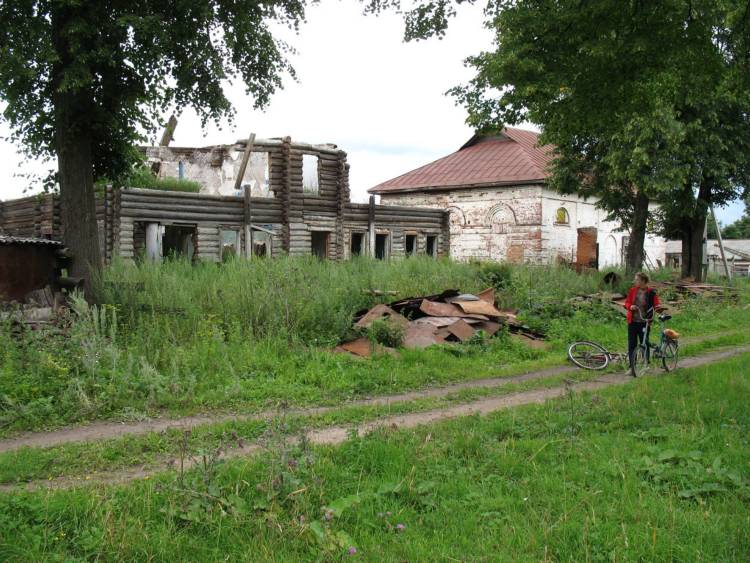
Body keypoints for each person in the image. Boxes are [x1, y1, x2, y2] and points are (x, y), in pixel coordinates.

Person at [624, 272, 661, 373]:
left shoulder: (651, 292)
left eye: (637, 280)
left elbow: (657, 305)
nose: (635, 281)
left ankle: (645, 364)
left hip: (645, 322)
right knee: (632, 344)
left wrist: (658, 309)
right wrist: (630, 306)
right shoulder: (632, 290)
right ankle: (632, 367)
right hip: (633, 321)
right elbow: (626, 303)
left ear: (643, 281)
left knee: (644, 343)